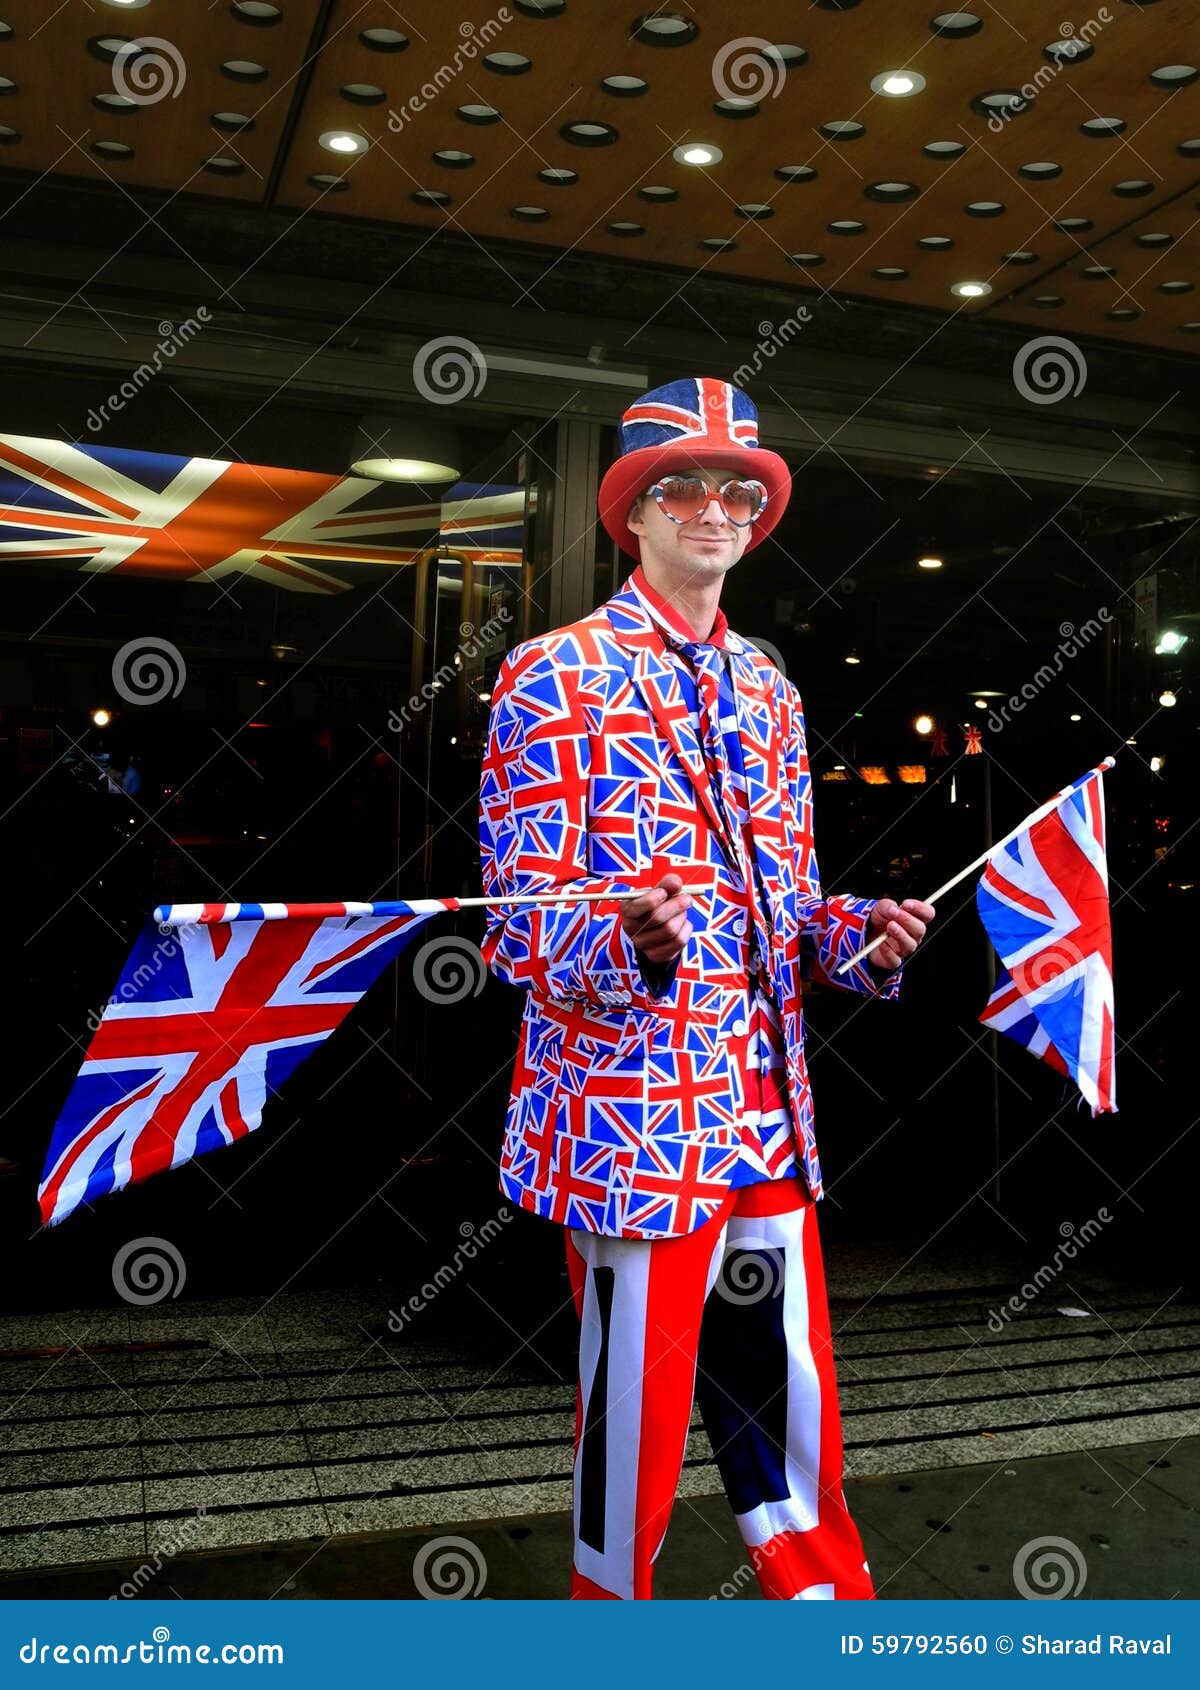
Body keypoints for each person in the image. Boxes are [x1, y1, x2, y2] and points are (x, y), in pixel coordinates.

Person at [478, 377, 935, 1601]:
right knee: (631, 1420)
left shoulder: (773, 690)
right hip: (629, 1120)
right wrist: (630, 944)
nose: (715, 507)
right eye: (684, 484)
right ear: (634, 510)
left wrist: (864, 940)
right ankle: (606, 1626)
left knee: (788, 1395)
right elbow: (520, 932)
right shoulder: (549, 676)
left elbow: (790, 907)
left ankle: (823, 1609)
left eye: (739, 489)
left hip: (762, 1111)